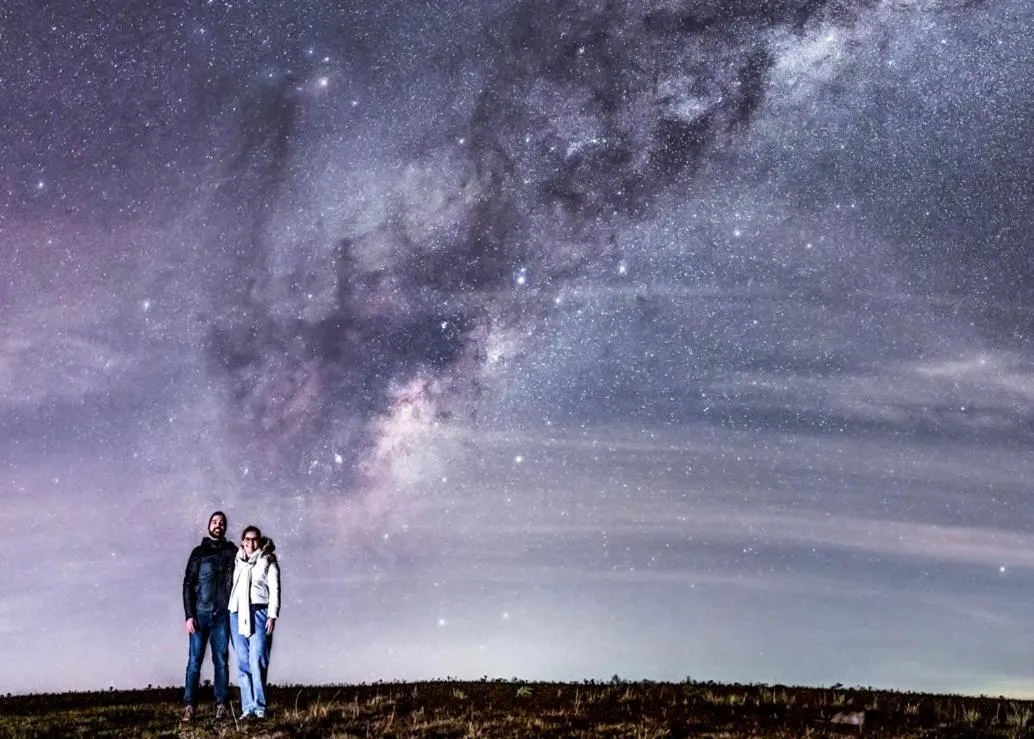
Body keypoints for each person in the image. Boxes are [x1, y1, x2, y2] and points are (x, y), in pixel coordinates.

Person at [181, 510, 238, 723]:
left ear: (225, 527)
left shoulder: (232, 551)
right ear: (208, 525)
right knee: (194, 661)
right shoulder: (198, 553)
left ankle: (221, 705)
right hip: (200, 615)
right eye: (215, 522)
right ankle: (189, 706)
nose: (218, 525)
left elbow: (249, 558)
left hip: (222, 615)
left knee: (221, 661)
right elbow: (188, 583)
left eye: (222, 523)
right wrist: (189, 615)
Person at [229, 525, 281, 720]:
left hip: (259, 611)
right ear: (242, 541)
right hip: (236, 612)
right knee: (242, 662)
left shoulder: (267, 560)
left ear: (259, 541)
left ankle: (260, 706)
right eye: (247, 539)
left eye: (254, 539)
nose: (250, 543)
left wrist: (272, 615)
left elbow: (275, 589)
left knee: (257, 660)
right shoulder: (237, 560)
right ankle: (247, 707)